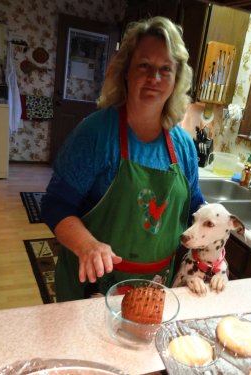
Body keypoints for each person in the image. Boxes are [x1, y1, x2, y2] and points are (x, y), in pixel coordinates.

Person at [41, 16, 205, 301]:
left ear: (176, 79)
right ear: (126, 71)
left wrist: (216, 229)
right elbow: (55, 205)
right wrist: (88, 246)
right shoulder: (95, 134)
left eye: (165, 69)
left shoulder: (184, 147)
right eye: (144, 66)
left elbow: (194, 206)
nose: (154, 78)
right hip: (94, 286)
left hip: (156, 287)